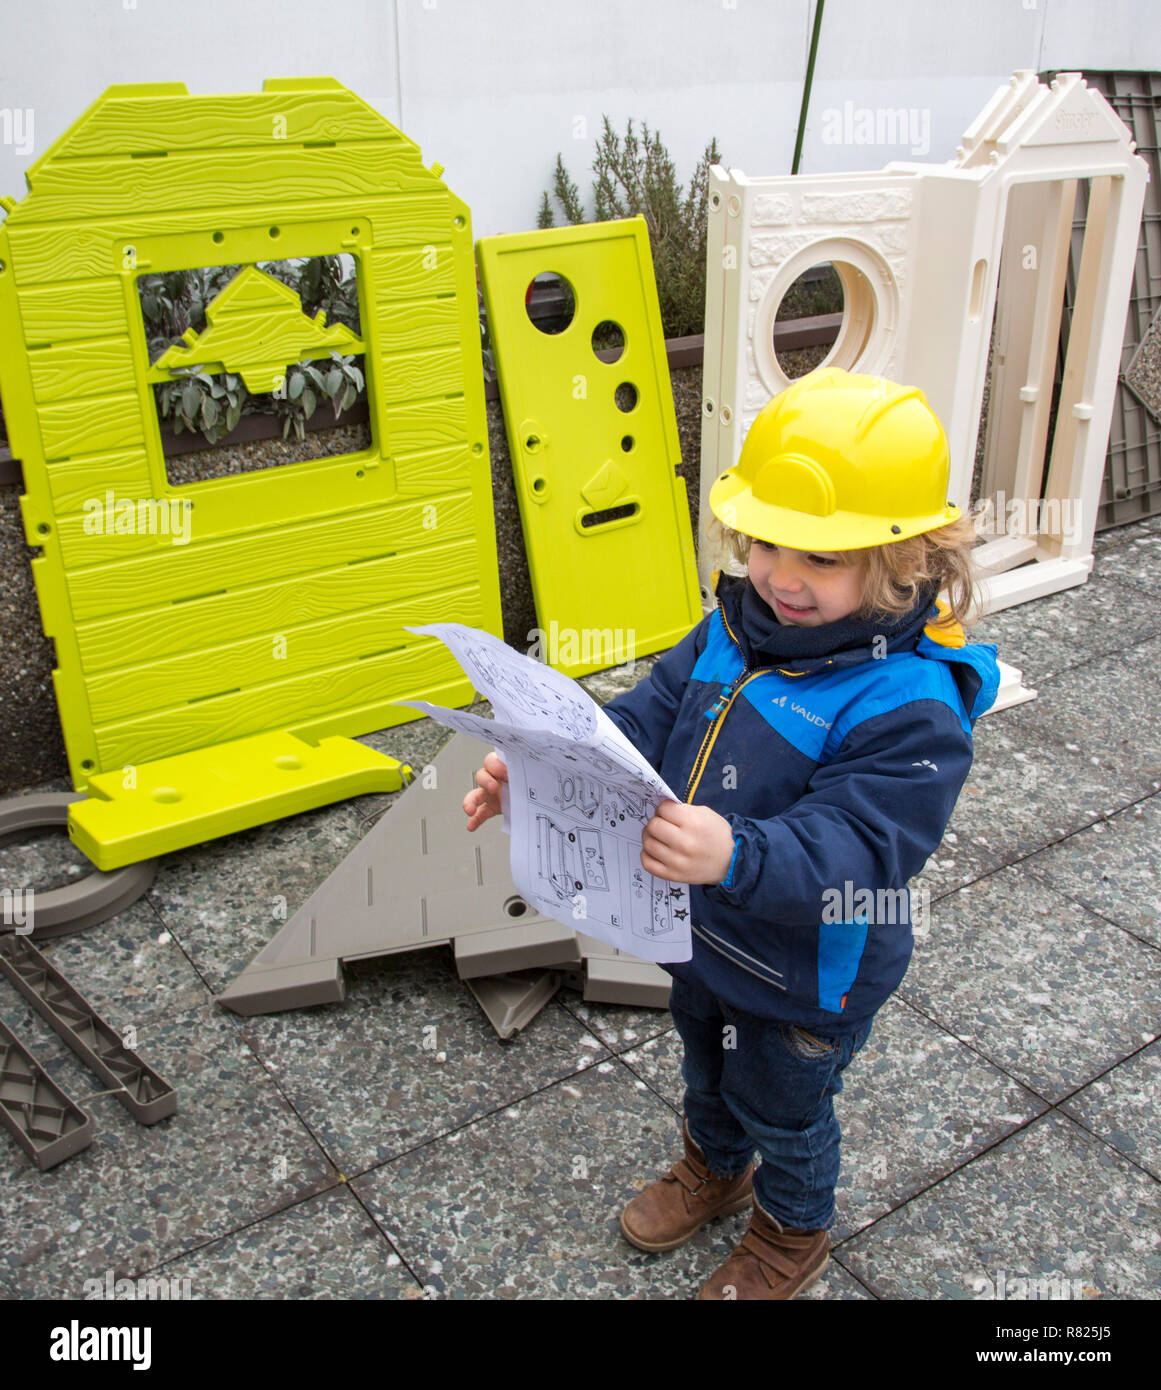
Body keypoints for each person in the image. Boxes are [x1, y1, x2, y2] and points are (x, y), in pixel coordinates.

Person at [463, 367, 999, 1300]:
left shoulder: (908, 706)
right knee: (706, 1071)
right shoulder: (732, 625)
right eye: (766, 544)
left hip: (807, 978)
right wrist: (542, 767)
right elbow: (639, 721)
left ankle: (791, 1233)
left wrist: (737, 854)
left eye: (822, 560)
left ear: (905, 559)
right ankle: (714, 1169)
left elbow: (862, 850)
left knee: (785, 1110)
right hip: (700, 937)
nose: (783, 579)